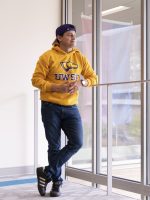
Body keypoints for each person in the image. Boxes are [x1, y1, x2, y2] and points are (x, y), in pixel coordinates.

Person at [31, 24, 98, 197]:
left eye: (74, 35)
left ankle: (46, 173)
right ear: (60, 38)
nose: (73, 38)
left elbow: (93, 77)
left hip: (71, 108)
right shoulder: (47, 57)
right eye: (69, 35)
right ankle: (57, 184)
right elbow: (36, 80)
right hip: (50, 107)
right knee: (54, 146)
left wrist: (81, 83)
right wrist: (56, 87)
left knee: (77, 142)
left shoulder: (79, 58)